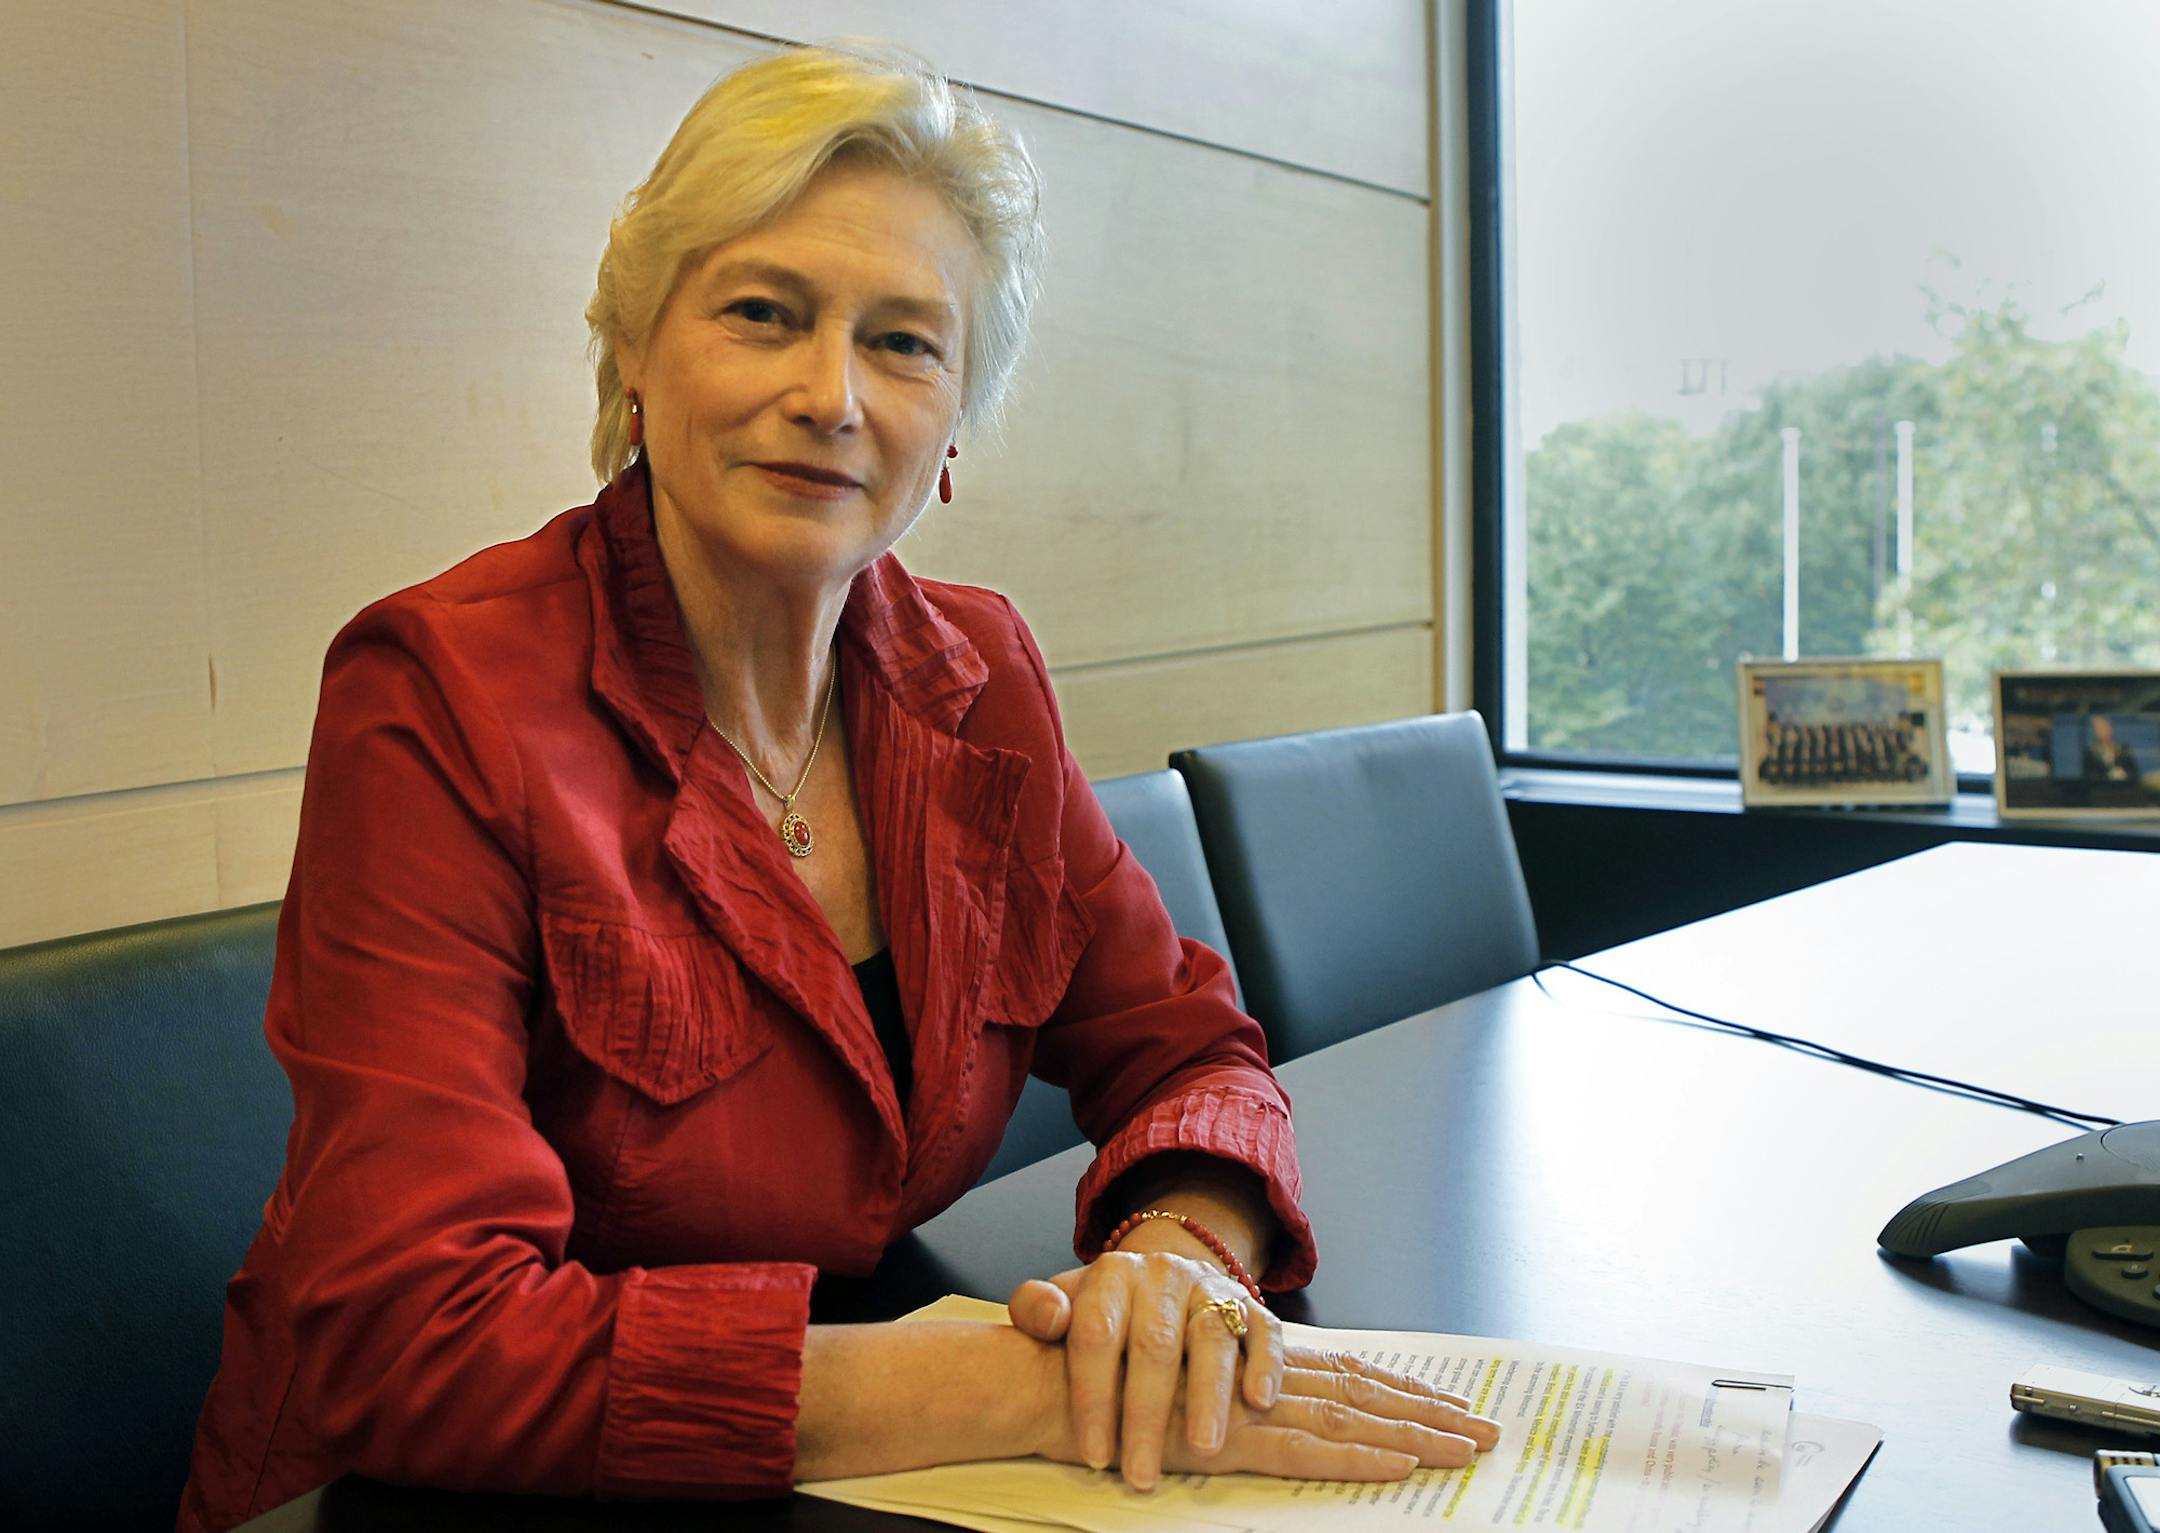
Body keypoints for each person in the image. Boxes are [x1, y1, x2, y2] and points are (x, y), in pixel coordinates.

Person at [178, 44, 1498, 1533]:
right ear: (635, 351)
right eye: (763, 314)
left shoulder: (980, 674)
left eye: (905, 343)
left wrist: (1179, 1256)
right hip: (410, 1498)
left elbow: (1192, 1043)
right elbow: (412, 1339)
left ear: (954, 423)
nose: (831, 395)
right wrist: (1039, 1384)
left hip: (824, 1468)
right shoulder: (439, 694)